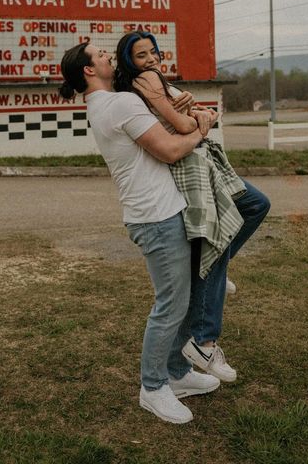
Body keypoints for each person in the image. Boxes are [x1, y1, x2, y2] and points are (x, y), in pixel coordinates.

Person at [59, 42, 221, 425]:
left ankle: (177, 375)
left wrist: (170, 112)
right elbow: (168, 150)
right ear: (88, 70)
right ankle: (152, 387)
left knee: (181, 300)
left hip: (158, 211)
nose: (108, 57)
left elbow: (156, 139)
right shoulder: (120, 104)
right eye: (100, 54)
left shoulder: (106, 105)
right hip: (154, 217)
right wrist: (201, 128)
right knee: (170, 306)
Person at [114, 30, 270, 383]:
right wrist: (201, 119)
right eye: (141, 55)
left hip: (200, 161)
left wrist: (194, 110)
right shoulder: (147, 81)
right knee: (239, 218)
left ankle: (220, 267)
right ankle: (203, 342)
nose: (151, 59)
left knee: (254, 206)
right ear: (130, 62)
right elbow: (183, 124)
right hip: (190, 167)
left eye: (153, 52)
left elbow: (183, 114)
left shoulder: (153, 81)